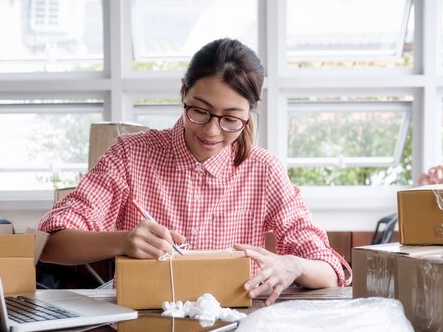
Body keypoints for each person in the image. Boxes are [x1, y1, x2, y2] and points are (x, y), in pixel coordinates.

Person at [38, 38, 349, 305]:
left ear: (250, 113)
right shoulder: (130, 154)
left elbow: (333, 271)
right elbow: (51, 244)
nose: (212, 131)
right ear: (183, 92)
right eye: (199, 111)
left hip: (234, 326)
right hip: (141, 326)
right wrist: (123, 241)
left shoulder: (263, 170)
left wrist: (291, 265)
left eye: (231, 119)